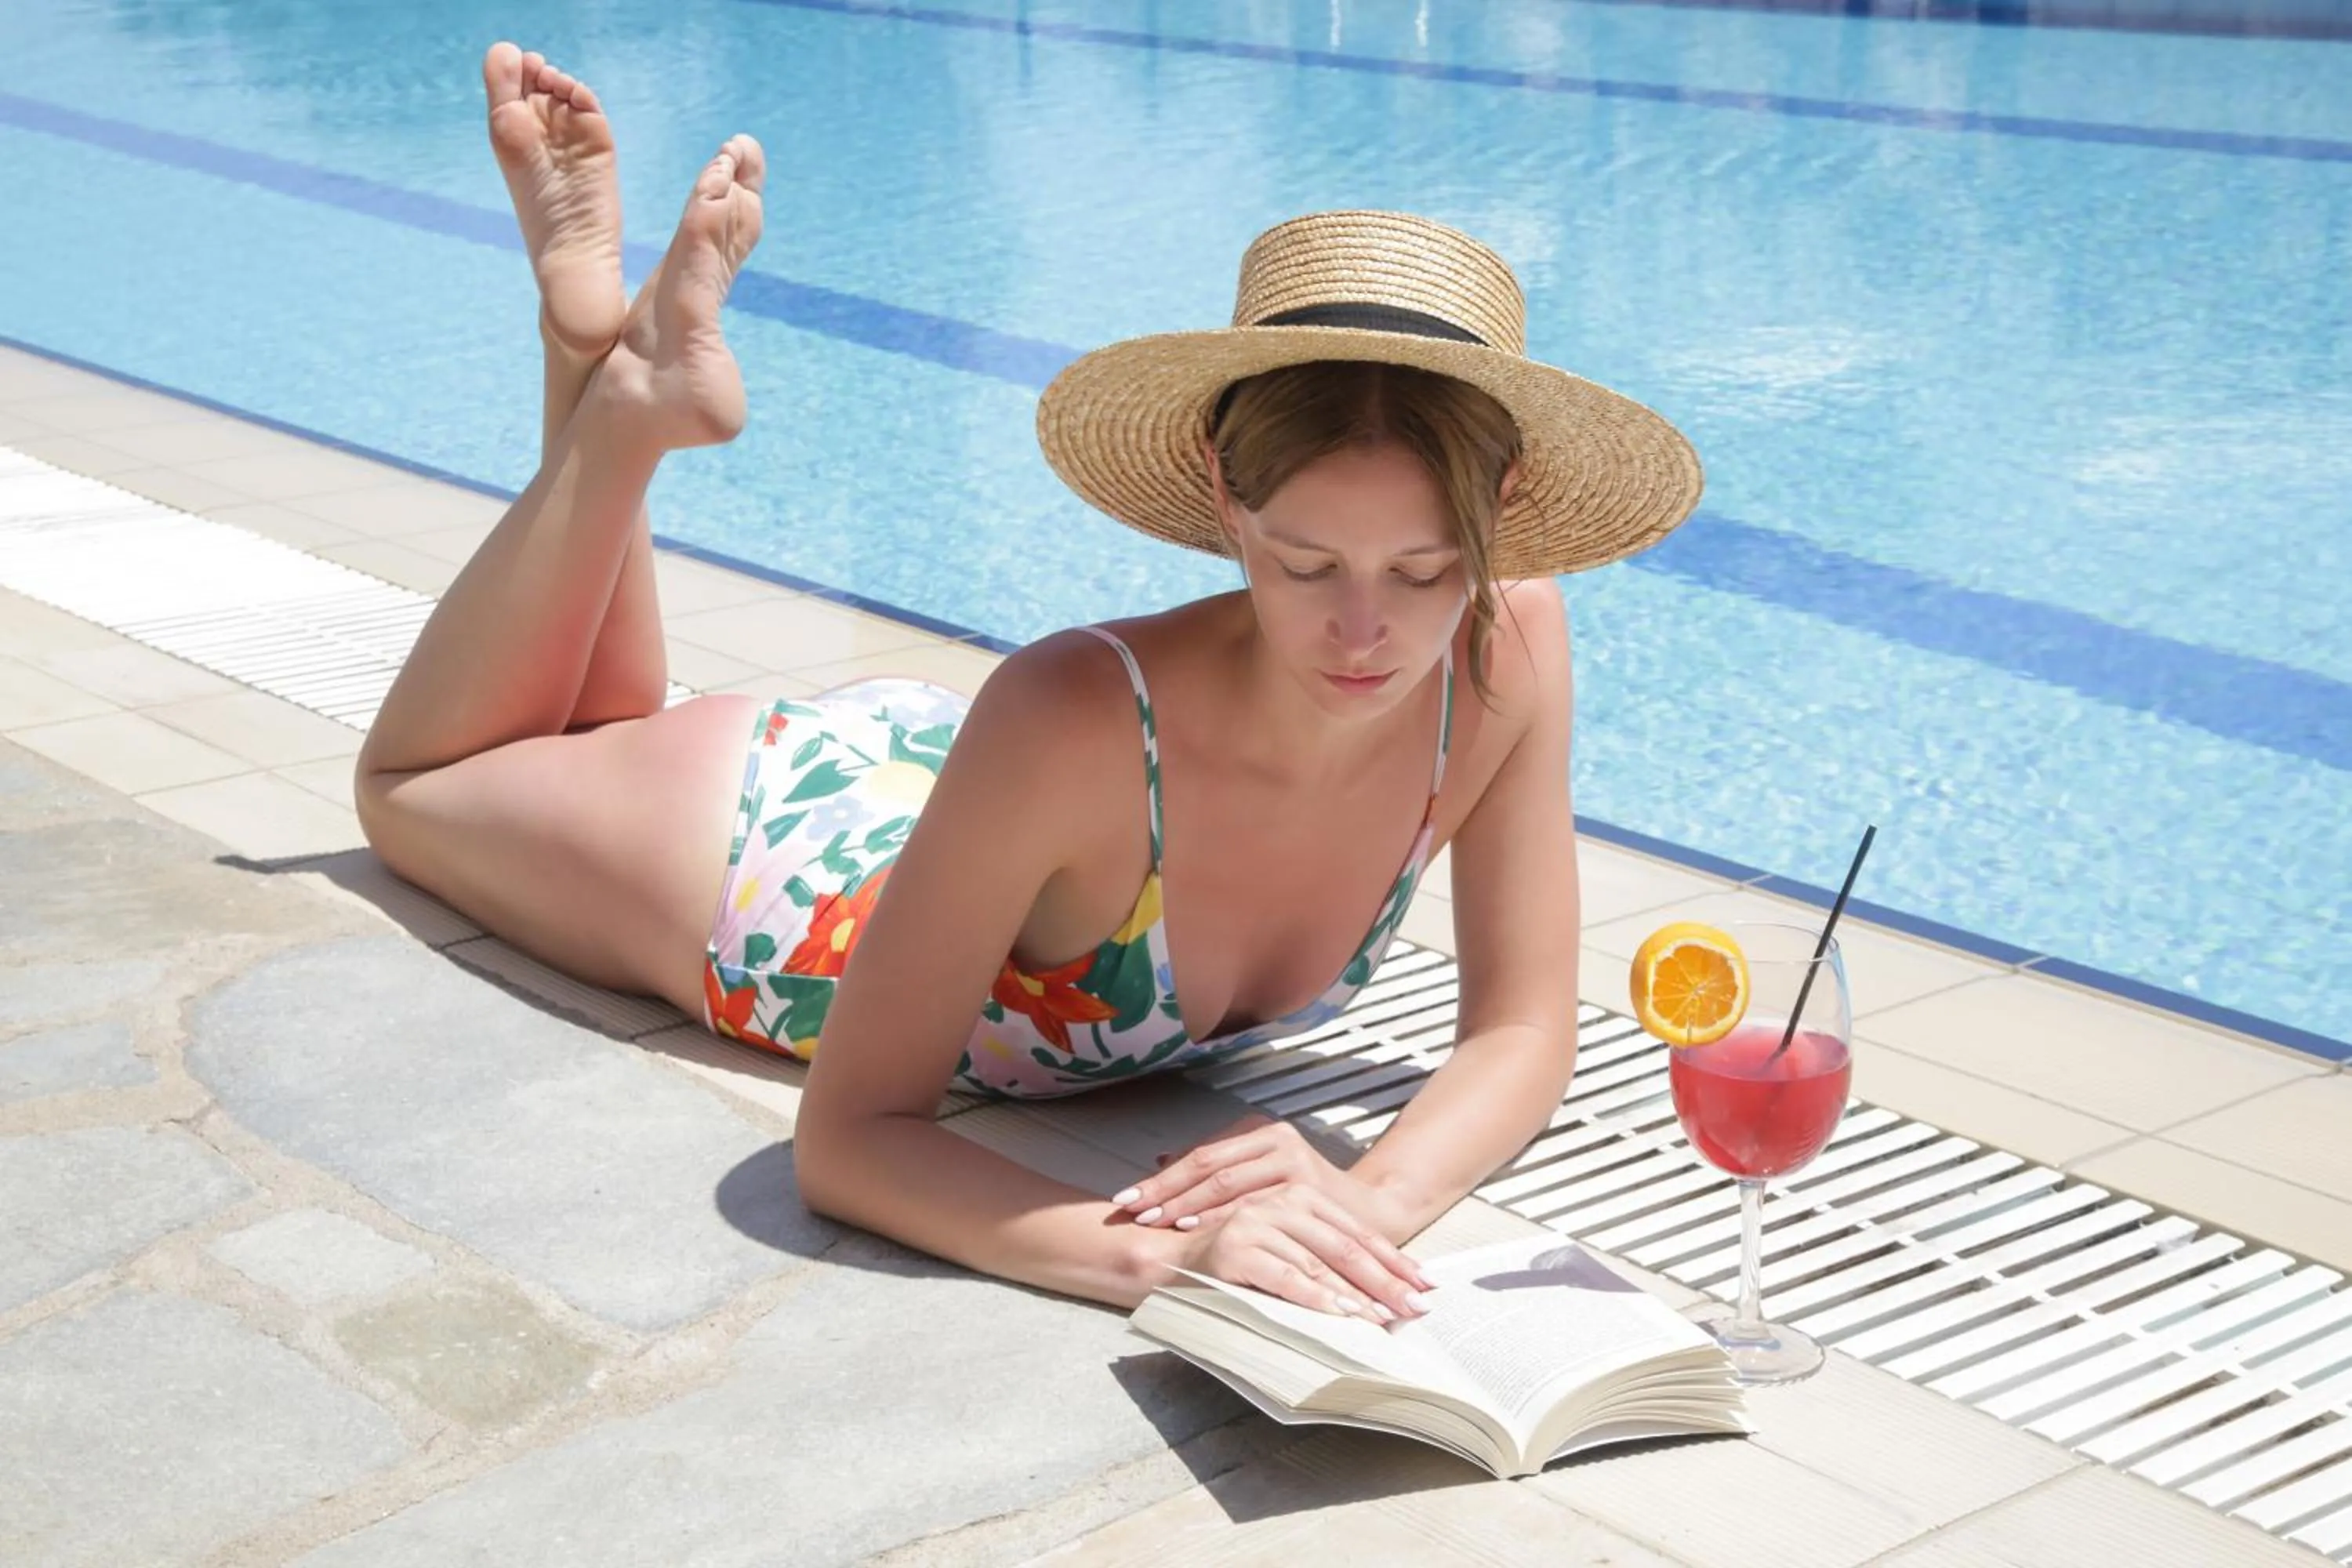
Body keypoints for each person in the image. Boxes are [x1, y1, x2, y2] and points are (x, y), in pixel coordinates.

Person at [356, 44, 1704, 1332]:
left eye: (1424, 570)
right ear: (1227, 501)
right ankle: (621, 392)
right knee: (416, 789)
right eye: (1306, 564)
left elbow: (1523, 1024)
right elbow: (851, 1143)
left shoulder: (1508, 647)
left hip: (973, 809)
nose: (1366, 632)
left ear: (1505, 515)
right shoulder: (1078, 707)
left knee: (591, 721)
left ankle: (614, 370)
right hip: (794, 874)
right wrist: (1181, 1261)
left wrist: (1361, 1206)